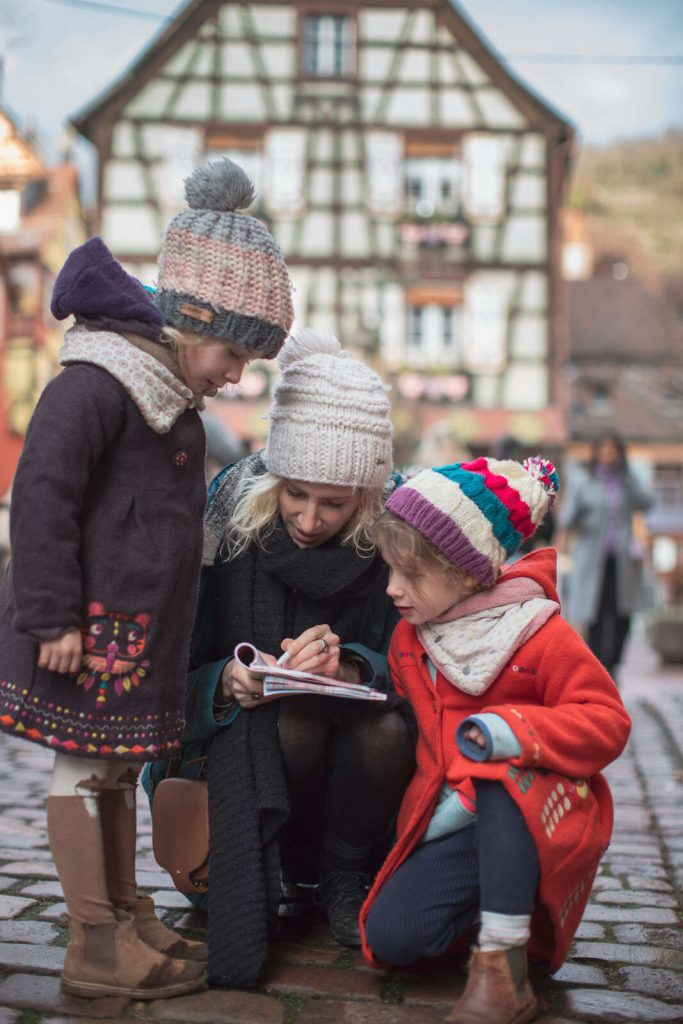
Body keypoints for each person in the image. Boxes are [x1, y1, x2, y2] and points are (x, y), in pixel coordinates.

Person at [0, 158, 294, 1000]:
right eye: (232, 351)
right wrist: (53, 617)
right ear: (188, 317)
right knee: (81, 774)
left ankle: (124, 914)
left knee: (118, 769)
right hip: (81, 632)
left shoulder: (167, 396)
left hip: (126, 638)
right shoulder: (98, 384)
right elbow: (42, 498)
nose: (237, 373)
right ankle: (94, 947)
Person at [144, 328, 416, 989]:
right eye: (295, 493)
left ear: (366, 498)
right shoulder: (226, 517)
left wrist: (352, 667)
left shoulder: (390, 534)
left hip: (349, 787)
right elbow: (167, 667)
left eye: (334, 502)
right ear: (273, 478)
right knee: (290, 720)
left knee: (387, 729)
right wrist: (224, 682)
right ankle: (266, 870)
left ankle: (342, 875)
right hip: (233, 760)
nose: (310, 517)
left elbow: (410, 667)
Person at [360, 456, 631, 1024]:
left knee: (496, 766)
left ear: (465, 572)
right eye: (390, 569)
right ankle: (490, 906)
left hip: (535, 812)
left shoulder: (540, 634)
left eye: (410, 574)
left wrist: (517, 732)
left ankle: (504, 969)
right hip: (453, 824)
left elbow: (608, 720)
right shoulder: (411, 639)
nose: (392, 588)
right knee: (394, 941)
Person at [558, 432, 652, 679]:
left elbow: (647, 503)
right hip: (591, 561)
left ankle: (614, 664)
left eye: (614, 449)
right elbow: (568, 520)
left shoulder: (627, 480)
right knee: (595, 616)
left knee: (623, 614)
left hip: (623, 562)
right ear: (597, 451)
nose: (609, 454)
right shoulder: (584, 480)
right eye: (605, 449)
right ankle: (600, 671)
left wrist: (630, 479)